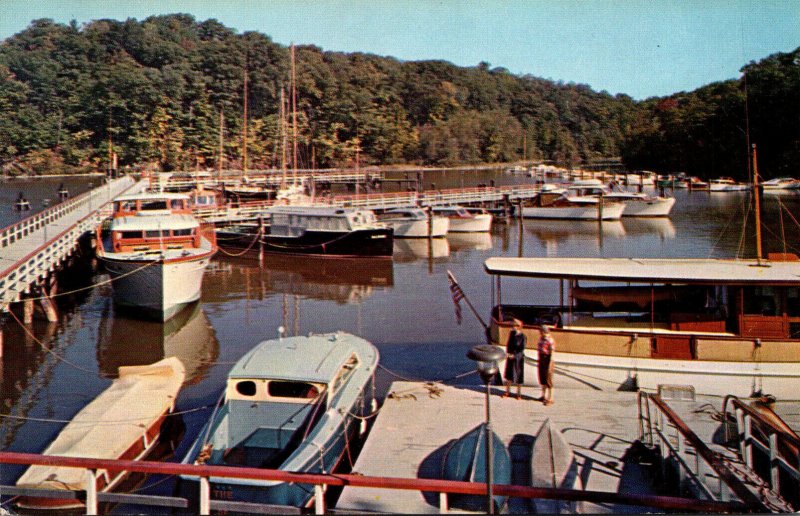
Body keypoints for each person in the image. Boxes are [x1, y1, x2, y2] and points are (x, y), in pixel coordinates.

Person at [503, 319, 526, 400]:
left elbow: (522, 349)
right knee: (509, 374)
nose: (513, 327)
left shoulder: (523, 336)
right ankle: (507, 391)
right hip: (510, 357)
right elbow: (508, 344)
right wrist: (508, 353)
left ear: (519, 327)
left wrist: (515, 356)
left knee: (519, 375)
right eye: (513, 326)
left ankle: (518, 393)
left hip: (518, 358)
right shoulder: (512, 334)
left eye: (515, 326)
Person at [537, 325, 556, 405]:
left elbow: (552, 352)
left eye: (541, 332)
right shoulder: (541, 339)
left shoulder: (550, 340)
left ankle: (550, 398)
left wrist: (550, 363)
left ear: (545, 332)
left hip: (548, 359)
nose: (540, 333)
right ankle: (543, 396)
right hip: (542, 358)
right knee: (542, 378)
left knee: (548, 379)